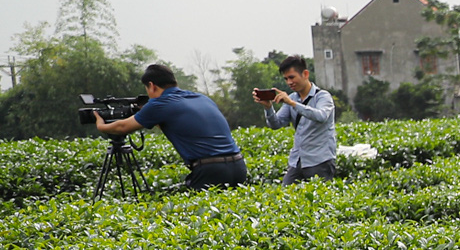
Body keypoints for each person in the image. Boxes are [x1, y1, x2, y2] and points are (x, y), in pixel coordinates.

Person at [93, 63, 245, 188]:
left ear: (151, 86)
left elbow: (122, 127)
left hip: (210, 171)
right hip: (238, 166)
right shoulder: (201, 98)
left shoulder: (159, 104)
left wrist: (101, 125)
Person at [255, 54, 337, 183]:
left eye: (292, 77)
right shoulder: (292, 98)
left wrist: (293, 104)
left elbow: (321, 116)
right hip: (297, 161)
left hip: (320, 161)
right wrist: (268, 107)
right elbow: (276, 124)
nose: (289, 82)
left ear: (305, 74)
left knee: (320, 195)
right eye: (286, 79)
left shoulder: (322, 96)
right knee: (285, 193)